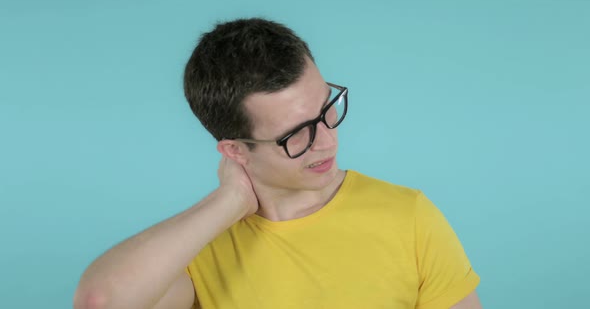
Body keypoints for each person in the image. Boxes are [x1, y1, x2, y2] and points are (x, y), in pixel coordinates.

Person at [74, 18, 482, 309]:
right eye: (294, 135)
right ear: (236, 150)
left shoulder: (409, 216)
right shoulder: (200, 252)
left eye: (326, 109)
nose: (326, 141)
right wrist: (230, 201)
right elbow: (100, 301)